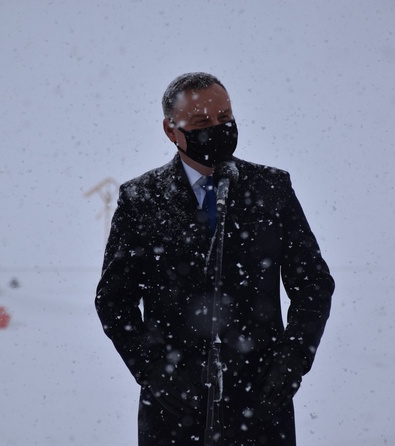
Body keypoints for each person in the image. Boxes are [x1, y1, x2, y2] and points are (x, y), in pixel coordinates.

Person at [95, 72, 334, 445]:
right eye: (203, 122)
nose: (218, 129)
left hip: (261, 405)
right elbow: (113, 301)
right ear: (171, 129)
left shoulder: (272, 189)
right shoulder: (140, 200)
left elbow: (313, 285)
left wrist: (291, 363)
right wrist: (155, 372)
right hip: (174, 412)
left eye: (225, 118)